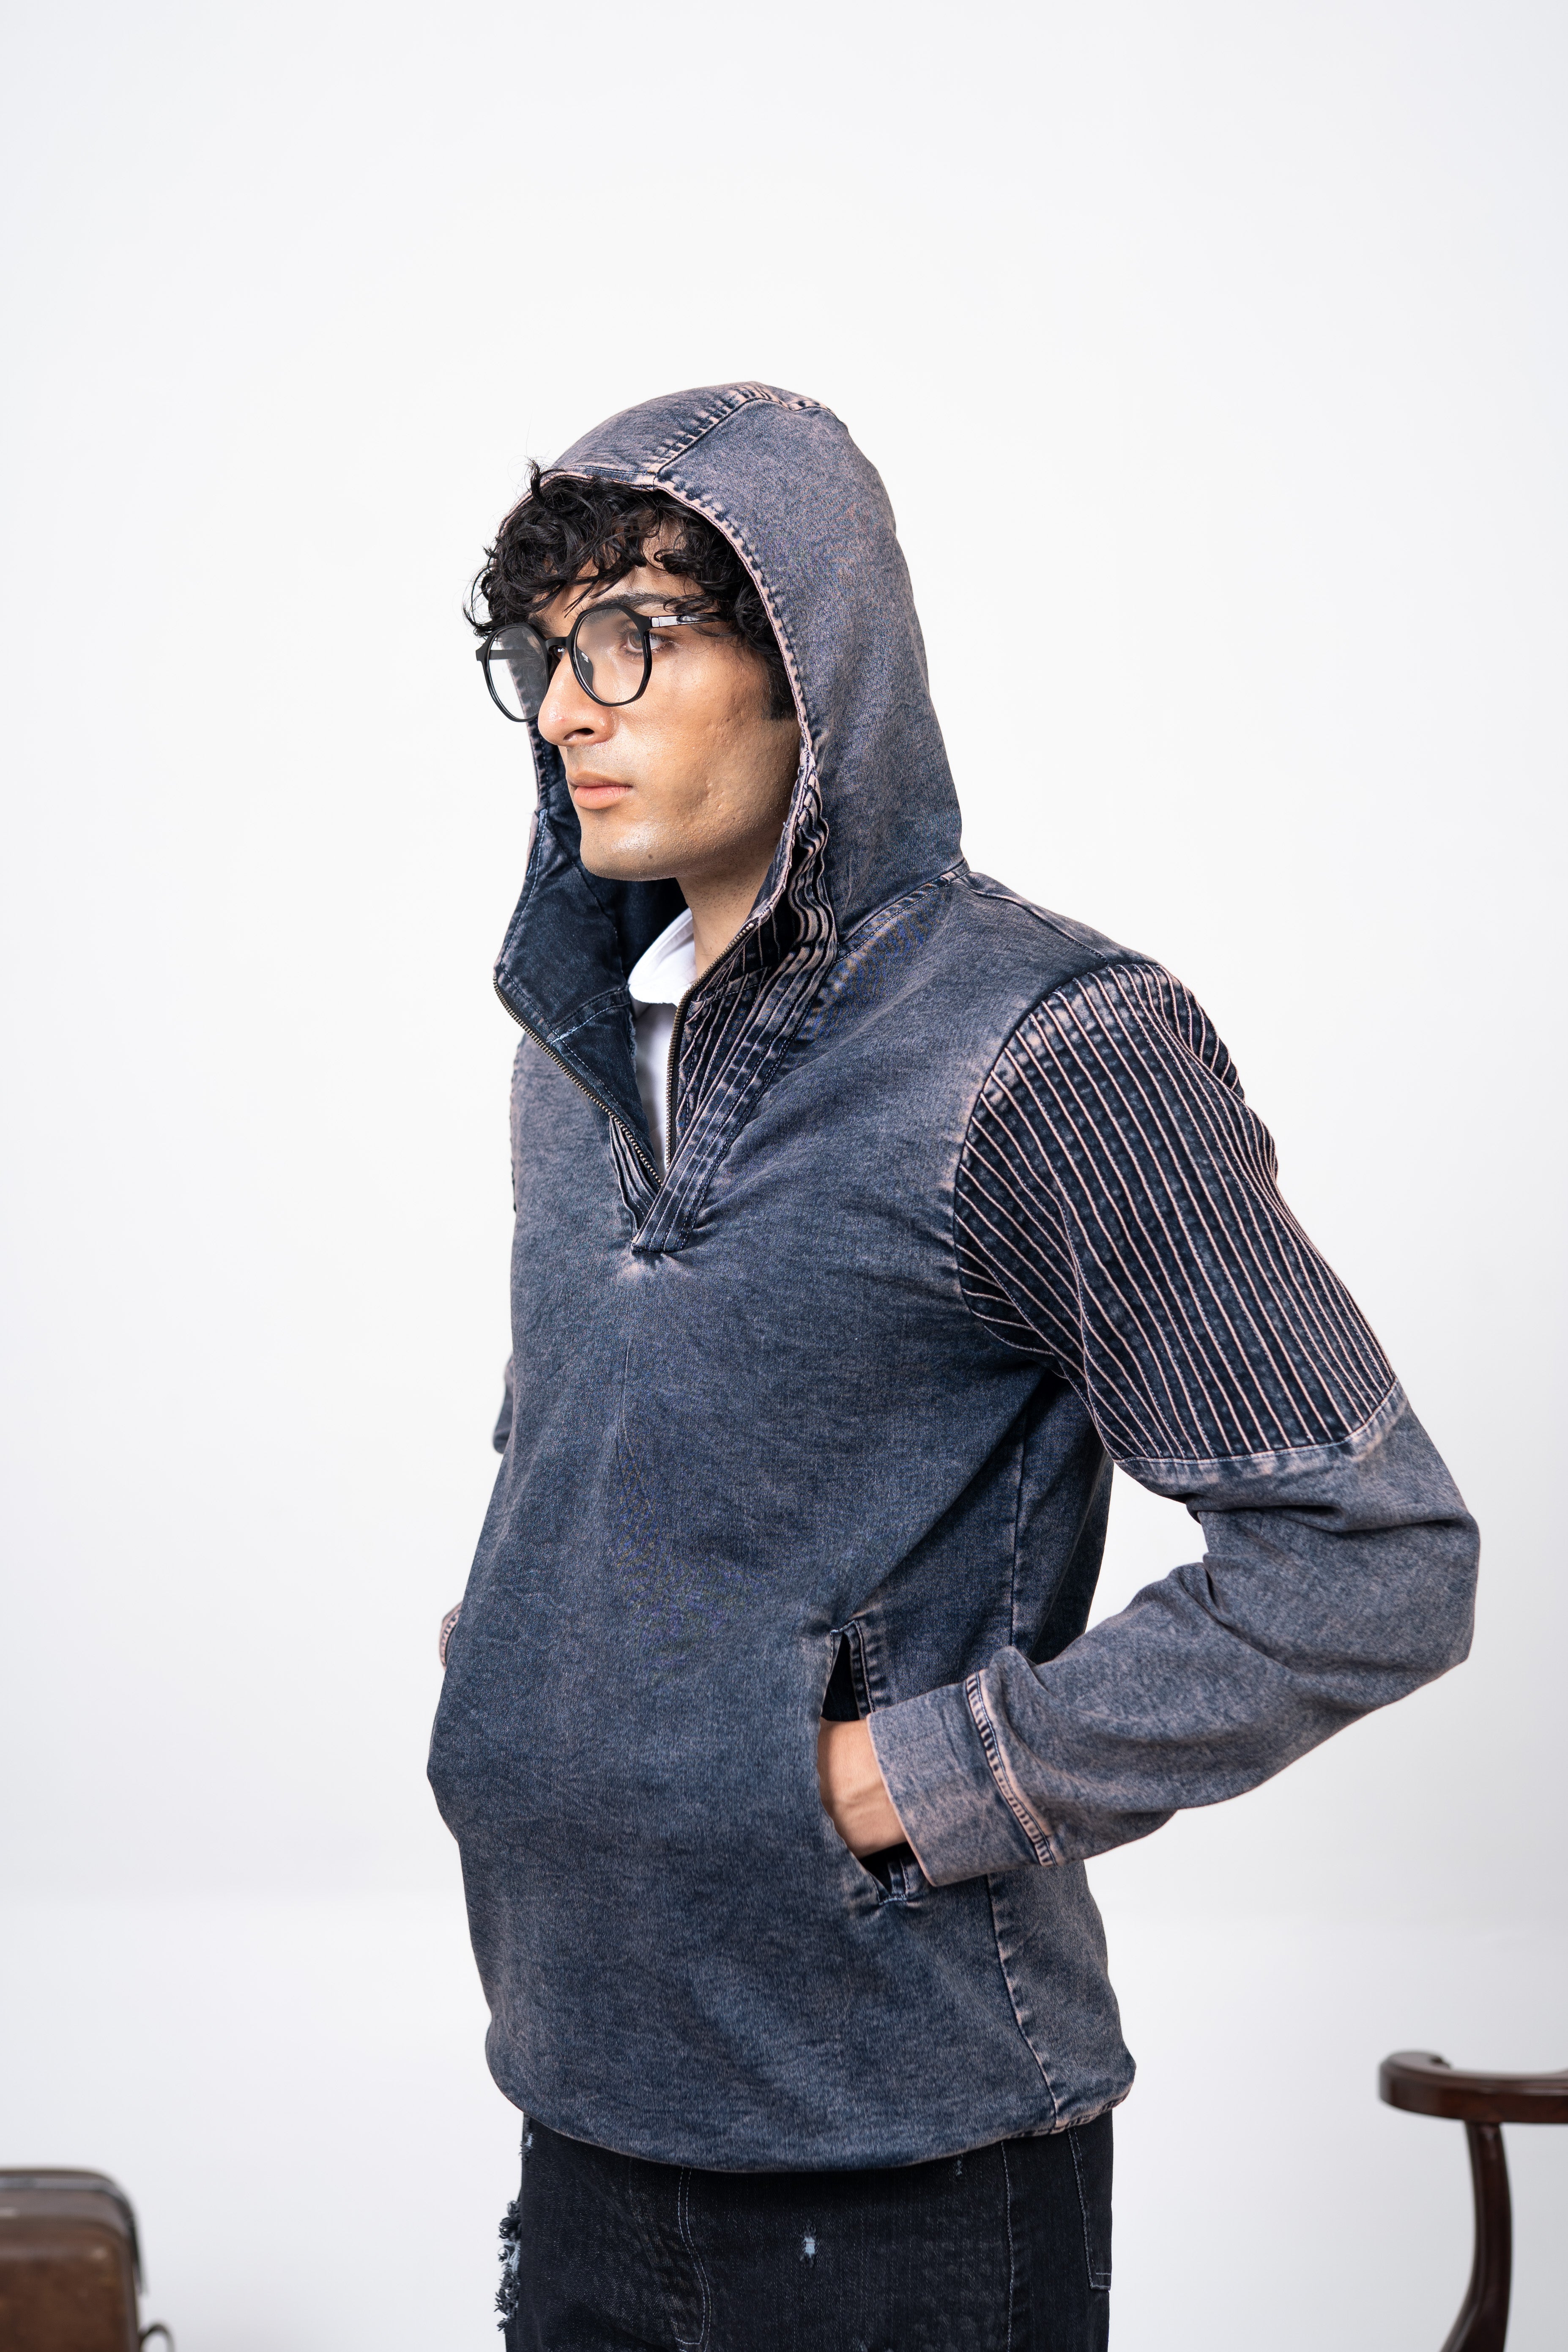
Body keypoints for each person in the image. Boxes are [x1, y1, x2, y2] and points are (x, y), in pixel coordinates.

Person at [428, 382, 1478, 2350]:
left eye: (631, 636)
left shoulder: (1042, 1048)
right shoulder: (568, 1069)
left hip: (902, 2158)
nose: (568, 707)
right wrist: (525, 1659)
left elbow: (1373, 1558)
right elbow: (598, 1468)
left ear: (812, 660)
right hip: (579, 2101)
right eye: (543, 653)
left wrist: (892, 1779)